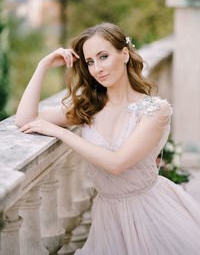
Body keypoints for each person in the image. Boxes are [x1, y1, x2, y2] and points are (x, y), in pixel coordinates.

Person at [16, 22, 200, 254]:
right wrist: (43, 66)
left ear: (124, 55)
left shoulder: (154, 110)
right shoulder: (89, 107)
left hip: (151, 214)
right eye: (90, 62)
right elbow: (24, 119)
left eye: (103, 56)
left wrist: (61, 132)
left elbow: (117, 164)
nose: (97, 68)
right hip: (108, 218)